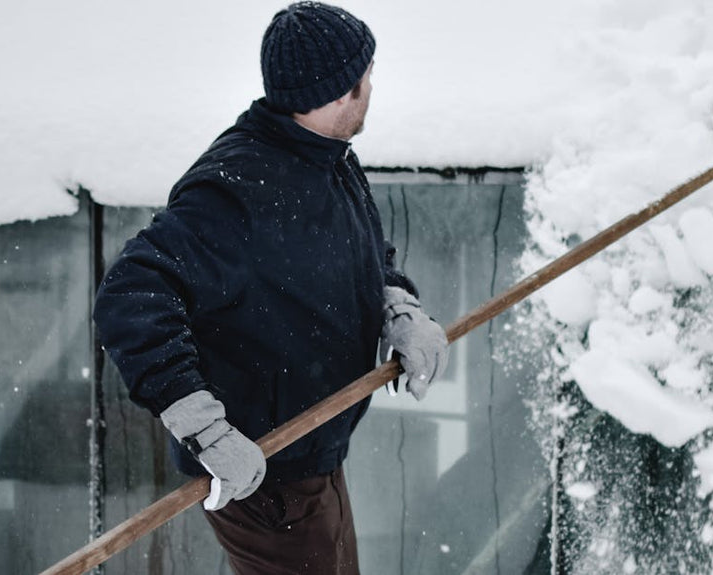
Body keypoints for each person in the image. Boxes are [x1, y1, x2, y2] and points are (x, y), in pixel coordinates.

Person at [92, 3, 449, 573]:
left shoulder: (326, 159)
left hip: (314, 456)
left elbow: (361, 254)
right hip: (262, 476)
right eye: (365, 77)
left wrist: (398, 307)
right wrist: (206, 431)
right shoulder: (234, 191)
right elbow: (131, 296)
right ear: (337, 93)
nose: (371, 87)